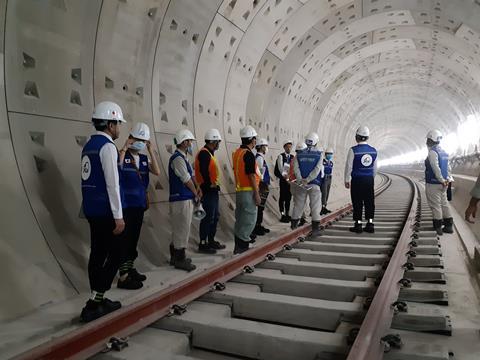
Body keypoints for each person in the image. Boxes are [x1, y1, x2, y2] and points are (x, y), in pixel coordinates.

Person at [80, 101, 126, 322]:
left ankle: (98, 297)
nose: (119, 128)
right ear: (110, 124)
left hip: (91, 208)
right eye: (117, 123)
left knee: (97, 254)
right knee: (116, 254)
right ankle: (95, 302)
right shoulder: (108, 147)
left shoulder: (89, 145)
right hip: (105, 211)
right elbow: (112, 184)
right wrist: (118, 216)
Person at [117, 122, 160, 289]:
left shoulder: (143, 159)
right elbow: (116, 168)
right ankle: (123, 274)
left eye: (144, 140)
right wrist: (124, 147)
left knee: (133, 239)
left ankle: (130, 268)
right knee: (124, 240)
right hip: (126, 205)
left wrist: (151, 151)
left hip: (139, 205)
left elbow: (156, 171)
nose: (140, 142)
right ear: (131, 138)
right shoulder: (123, 155)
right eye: (138, 139)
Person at [168, 129, 202, 271]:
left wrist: (197, 187)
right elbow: (186, 178)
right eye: (189, 141)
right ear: (183, 142)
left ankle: (175, 257)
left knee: (182, 228)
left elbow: (191, 175)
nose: (191, 144)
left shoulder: (184, 158)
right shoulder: (177, 158)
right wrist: (196, 193)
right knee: (181, 228)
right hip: (180, 199)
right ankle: (179, 259)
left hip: (184, 198)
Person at [194, 128, 226, 254]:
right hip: (207, 191)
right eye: (218, 141)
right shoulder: (204, 154)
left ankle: (211, 240)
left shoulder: (209, 153)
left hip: (212, 190)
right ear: (213, 141)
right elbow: (203, 171)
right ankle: (203, 243)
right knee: (207, 217)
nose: (219, 144)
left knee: (215, 216)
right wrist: (210, 185)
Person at [233, 125, 261, 254]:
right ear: (252, 140)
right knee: (249, 220)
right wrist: (256, 193)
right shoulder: (248, 154)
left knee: (240, 219)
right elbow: (251, 175)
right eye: (255, 139)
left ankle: (238, 246)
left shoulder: (237, 153)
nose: (256, 141)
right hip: (248, 191)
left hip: (239, 191)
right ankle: (243, 246)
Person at [345, 126, 377, 234]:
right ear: (367, 137)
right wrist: (371, 178)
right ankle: (370, 223)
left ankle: (358, 224)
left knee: (357, 202)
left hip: (357, 180)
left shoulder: (353, 150)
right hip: (369, 180)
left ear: (357, 137)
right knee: (369, 202)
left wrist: (346, 179)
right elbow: (375, 168)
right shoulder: (373, 151)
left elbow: (349, 166)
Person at [291, 132, 323, 237]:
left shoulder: (298, 155)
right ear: (316, 142)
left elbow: (296, 169)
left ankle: (293, 227)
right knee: (315, 206)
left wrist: (301, 180)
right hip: (314, 184)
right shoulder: (319, 155)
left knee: (298, 205)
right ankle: (315, 229)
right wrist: (308, 179)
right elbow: (317, 170)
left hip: (301, 184)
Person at [424, 129, 454, 235]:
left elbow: (435, 167)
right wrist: (447, 180)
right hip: (444, 183)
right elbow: (448, 168)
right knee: (444, 203)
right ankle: (449, 226)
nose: (426, 141)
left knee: (435, 205)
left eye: (428, 139)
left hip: (434, 183)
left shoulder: (433, 152)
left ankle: (438, 228)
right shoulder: (444, 152)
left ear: (431, 139)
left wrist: (441, 180)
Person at [253, 138, 271, 236]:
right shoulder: (259, 158)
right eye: (266, 146)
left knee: (261, 207)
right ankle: (257, 226)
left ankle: (258, 225)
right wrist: (262, 185)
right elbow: (259, 175)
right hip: (261, 186)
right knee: (259, 207)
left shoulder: (260, 157)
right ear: (262, 147)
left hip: (262, 185)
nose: (267, 148)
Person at [275, 140, 294, 223]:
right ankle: (282, 214)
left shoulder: (292, 157)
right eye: (288, 146)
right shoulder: (281, 156)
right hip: (283, 181)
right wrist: (285, 177)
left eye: (290, 147)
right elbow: (279, 168)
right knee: (282, 197)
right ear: (284, 147)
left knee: (288, 198)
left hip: (290, 181)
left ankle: (287, 213)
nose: (289, 148)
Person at [290, 142, 308, 227]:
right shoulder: (300, 160)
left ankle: (302, 219)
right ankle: (296, 222)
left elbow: (286, 172)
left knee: (299, 202)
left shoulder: (294, 159)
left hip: (294, 183)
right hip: (298, 183)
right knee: (299, 203)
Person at [320, 147, 334, 215]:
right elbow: (321, 171)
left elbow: (331, 171)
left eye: (331, 154)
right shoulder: (323, 162)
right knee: (324, 193)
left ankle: (325, 206)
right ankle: (322, 207)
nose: (329, 155)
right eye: (328, 154)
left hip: (329, 178)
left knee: (327, 193)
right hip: (324, 178)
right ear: (325, 154)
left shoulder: (331, 163)